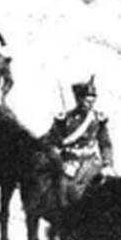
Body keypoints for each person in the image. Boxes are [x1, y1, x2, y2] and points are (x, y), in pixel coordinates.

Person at [46, 77, 114, 210]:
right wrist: (58, 157)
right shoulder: (64, 119)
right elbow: (52, 142)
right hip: (69, 162)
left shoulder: (97, 119)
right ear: (78, 99)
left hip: (91, 163)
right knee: (62, 190)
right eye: (86, 99)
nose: (90, 103)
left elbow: (105, 144)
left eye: (92, 99)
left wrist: (108, 163)